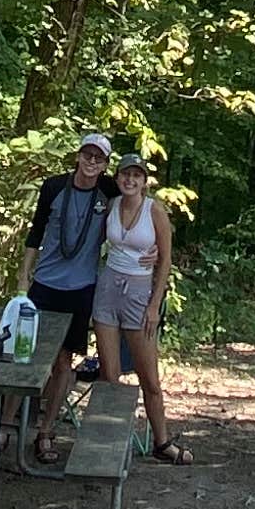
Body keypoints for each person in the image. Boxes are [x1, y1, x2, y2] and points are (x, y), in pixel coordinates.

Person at [17, 133, 114, 464]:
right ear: (78, 155)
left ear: (105, 165)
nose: (91, 162)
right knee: (24, 354)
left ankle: (45, 432)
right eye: (88, 155)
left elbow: (140, 208)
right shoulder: (54, 187)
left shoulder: (110, 191)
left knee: (63, 362)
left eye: (98, 159)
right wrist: (23, 276)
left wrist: (154, 249)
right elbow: (36, 229)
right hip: (45, 283)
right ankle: (4, 426)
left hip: (81, 288)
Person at [90, 151, 188, 462]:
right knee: (110, 374)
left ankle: (162, 442)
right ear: (117, 178)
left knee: (150, 378)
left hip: (139, 293)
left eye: (136, 175)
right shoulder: (111, 204)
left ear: (145, 181)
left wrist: (154, 304)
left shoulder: (154, 210)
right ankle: (107, 441)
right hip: (108, 290)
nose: (130, 180)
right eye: (125, 175)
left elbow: (167, 259)